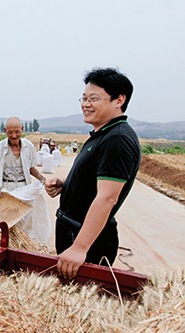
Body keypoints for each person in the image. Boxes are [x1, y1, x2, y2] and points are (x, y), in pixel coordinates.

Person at [45, 68, 140, 279]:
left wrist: (80, 247)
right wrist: (67, 184)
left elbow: (107, 197)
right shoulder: (103, 134)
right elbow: (97, 184)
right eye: (84, 98)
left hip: (88, 241)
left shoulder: (117, 139)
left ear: (119, 100)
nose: (85, 104)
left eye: (93, 99)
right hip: (74, 231)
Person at [0, 117, 46, 196]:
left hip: (24, 188)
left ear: (22, 129)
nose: (14, 136)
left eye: (17, 132)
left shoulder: (28, 146)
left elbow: (30, 168)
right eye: (10, 132)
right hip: (5, 189)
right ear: (5, 131)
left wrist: (40, 177)